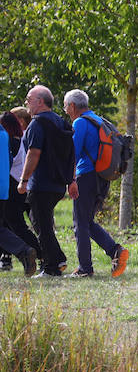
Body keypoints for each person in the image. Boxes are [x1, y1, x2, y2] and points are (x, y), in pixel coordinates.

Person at [62, 90, 130, 278]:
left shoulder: (80, 123)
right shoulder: (99, 121)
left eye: (66, 106)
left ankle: (85, 268)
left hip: (86, 176)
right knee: (87, 221)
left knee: (80, 223)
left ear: (73, 106)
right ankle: (115, 251)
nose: (66, 110)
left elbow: (72, 154)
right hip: (103, 177)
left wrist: (70, 180)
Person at [16, 86, 73, 277]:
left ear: (40, 101)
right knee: (42, 222)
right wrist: (71, 179)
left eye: (29, 99)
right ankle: (57, 258)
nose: (26, 103)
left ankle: (51, 268)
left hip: (40, 183)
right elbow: (71, 154)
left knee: (42, 225)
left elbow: (34, 153)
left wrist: (24, 180)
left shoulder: (37, 124)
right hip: (58, 184)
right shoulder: (61, 123)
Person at [1, 109, 40, 272]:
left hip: (14, 186)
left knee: (11, 224)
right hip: (5, 187)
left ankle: (25, 251)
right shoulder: (4, 134)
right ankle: (24, 252)